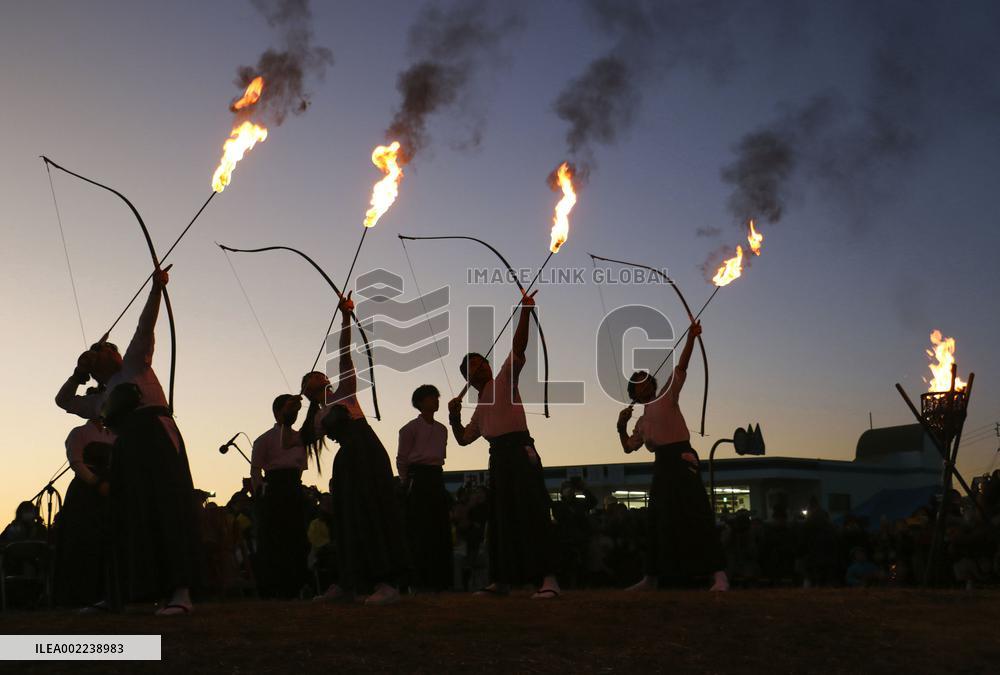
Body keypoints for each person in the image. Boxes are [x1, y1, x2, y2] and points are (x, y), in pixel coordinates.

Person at [55, 267, 198, 615]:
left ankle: (181, 593)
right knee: (124, 516)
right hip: (126, 448)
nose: (112, 350)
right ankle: (122, 593)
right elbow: (62, 401)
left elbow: (144, 328)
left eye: (110, 348)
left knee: (167, 507)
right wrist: (78, 372)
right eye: (103, 349)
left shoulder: (133, 365)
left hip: (156, 436)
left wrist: (155, 289)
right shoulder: (100, 398)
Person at [447, 290, 561, 600]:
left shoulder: (504, 378)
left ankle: (548, 578)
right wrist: (453, 418)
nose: (478, 367)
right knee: (500, 520)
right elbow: (463, 439)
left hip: (520, 451)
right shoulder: (479, 406)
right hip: (497, 457)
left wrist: (524, 312)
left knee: (532, 511)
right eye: (470, 367)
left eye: (480, 362)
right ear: (467, 379)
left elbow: (518, 347)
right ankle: (502, 580)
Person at [302, 293, 407, 606]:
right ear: (307, 392)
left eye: (319, 378)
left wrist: (346, 317)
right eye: (310, 383)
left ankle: (387, 583)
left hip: (367, 450)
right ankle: (349, 583)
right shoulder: (318, 415)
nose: (317, 381)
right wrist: (298, 410)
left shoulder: (345, 393)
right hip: (347, 457)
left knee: (373, 509)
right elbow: (302, 440)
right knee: (349, 516)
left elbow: (344, 354)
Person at [617, 320, 729, 592]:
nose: (643, 385)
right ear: (634, 393)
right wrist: (620, 426)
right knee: (657, 518)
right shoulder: (642, 421)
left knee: (697, 513)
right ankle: (652, 576)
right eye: (638, 384)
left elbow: (681, 367)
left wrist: (690, 337)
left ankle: (719, 575)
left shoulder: (668, 396)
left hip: (682, 457)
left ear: (653, 385)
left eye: (646, 380)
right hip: (663, 465)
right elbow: (629, 447)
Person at [250, 394, 309, 599]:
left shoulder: (300, 439)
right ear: (277, 412)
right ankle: (272, 586)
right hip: (273, 488)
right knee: (274, 537)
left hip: (293, 486)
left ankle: (295, 585)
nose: (293, 413)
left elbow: (301, 468)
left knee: (296, 536)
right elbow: (255, 471)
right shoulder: (263, 439)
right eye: (289, 408)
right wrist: (261, 493)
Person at [53, 417, 115, 608]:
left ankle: (106, 592)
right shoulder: (79, 432)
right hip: (85, 491)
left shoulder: (113, 434)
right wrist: (96, 482)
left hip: (110, 488)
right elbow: (76, 462)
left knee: (108, 539)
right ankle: (80, 594)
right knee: (83, 538)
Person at [397, 384, 453, 592]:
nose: (435, 401)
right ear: (420, 403)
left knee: (439, 526)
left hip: (436, 476)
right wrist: (405, 481)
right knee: (420, 529)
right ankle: (419, 581)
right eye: (431, 398)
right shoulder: (409, 428)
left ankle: (440, 580)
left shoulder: (442, 429)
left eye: (436, 398)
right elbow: (402, 458)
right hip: (417, 477)